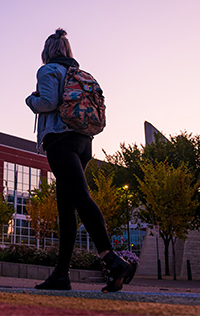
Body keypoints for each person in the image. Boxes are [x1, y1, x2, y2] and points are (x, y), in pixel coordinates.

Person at [25, 28, 135, 293]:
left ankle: (110, 258)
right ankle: (61, 275)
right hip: (84, 142)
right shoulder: (80, 75)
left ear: (47, 52)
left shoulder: (49, 70)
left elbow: (48, 102)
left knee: (81, 198)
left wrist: (30, 99)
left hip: (60, 141)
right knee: (67, 208)